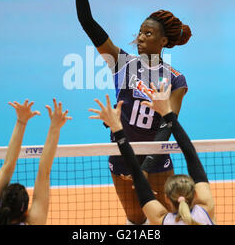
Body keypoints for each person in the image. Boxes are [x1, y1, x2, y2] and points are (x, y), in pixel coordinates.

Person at [66, 0, 192, 225]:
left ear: (163, 42)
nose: (141, 36)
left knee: (166, 218)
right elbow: (87, 22)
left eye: (149, 33)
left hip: (156, 159)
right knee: (136, 220)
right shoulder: (122, 63)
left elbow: (168, 124)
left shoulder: (176, 79)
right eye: (140, 31)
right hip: (122, 154)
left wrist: (146, 167)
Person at [89, 85, 215, 225]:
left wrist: (117, 129)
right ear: (196, 195)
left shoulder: (160, 219)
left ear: (167, 198)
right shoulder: (206, 210)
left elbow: (137, 176)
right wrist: (168, 113)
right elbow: (191, 154)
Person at [0, 98, 71, 225]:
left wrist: (21, 121)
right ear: (26, 212)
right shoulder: (34, 222)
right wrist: (55, 127)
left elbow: (8, 167)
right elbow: (44, 172)